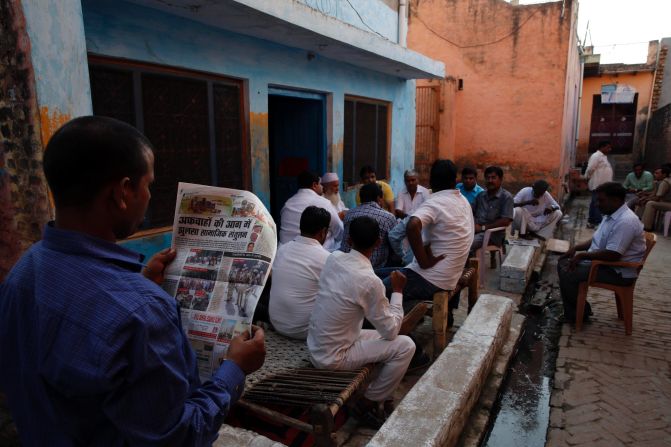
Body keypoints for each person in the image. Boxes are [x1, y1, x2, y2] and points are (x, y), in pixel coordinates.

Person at [0, 116, 266, 445]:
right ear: (123, 192)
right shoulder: (143, 313)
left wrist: (142, 284)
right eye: (148, 184)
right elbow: (179, 436)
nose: (150, 195)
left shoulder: (23, 272)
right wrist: (234, 368)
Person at [307, 217, 415, 428]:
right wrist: (399, 291)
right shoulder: (370, 281)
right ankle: (367, 402)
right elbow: (391, 331)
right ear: (378, 243)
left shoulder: (334, 258)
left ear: (348, 239)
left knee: (390, 339)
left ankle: (381, 394)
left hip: (317, 346)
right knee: (405, 346)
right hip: (334, 356)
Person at [382, 160, 473, 317]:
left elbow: (412, 225)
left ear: (431, 181)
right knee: (378, 274)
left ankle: (395, 326)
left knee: (377, 289)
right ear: (455, 181)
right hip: (449, 274)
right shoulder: (463, 201)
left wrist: (423, 261)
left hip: (431, 278)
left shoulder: (435, 202)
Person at [557, 182, 645, 323]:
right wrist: (576, 248)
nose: (597, 204)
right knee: (563, 262)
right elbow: (597, 239)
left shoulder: (626, 221)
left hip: (618, 272)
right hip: (606, 265)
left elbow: (613, 254)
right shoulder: (611, 214)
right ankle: (579, 310)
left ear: (615, 200)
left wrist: (582, 255)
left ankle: (578, 315)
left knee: (567, 270)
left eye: (601, 200)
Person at [269, 206, 331, 339]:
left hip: (277, 324)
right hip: (305, 331)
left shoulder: (282, 250)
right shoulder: (326, 258)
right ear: (323, 232)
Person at [279, 170, 343, 251]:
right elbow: (339, 231)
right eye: (320, 184)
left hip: (285, 250)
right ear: (314, 185)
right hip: (317, 252)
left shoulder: (288, 203)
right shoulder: (324, 203)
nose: (322, 187)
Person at [341, 183, 397, 269]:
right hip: (376, 268)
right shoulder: (388, 217)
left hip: (346, 265)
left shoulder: (348, 214)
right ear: (379, 198)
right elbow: (395, 242)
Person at [471, 166, 514, 254]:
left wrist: (482, 228)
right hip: (475, 230)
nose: (490, 181)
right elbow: (471, 211)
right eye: (487, 178)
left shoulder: (506, 197)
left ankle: (468, 264)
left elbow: (505, 221)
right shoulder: (481, 195)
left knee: (466, 244)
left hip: (493, 235)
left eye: (493, 178)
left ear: (501, 179)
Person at [584, 141, 613, 228]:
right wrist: (587, 178)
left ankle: (591, 221)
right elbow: (590, 169)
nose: (610, 149)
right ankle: (597, 221)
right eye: (608, 147)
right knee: (598, 203)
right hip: (598, 184)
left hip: (603, 185)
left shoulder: (603, 157)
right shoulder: (596, 156)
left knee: (595, 203)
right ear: (602, 147)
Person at [640, 166, 671, 231]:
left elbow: (657, 197)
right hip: (666, 202)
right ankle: (641, 223)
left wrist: (646, 199)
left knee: (650, 204)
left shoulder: (665, 182)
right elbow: (654, 195)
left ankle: (646, 227)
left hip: (668, 204)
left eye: (657, 173)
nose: (655, 175)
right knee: (644, 201)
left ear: (664, 174)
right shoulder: (659, 182)